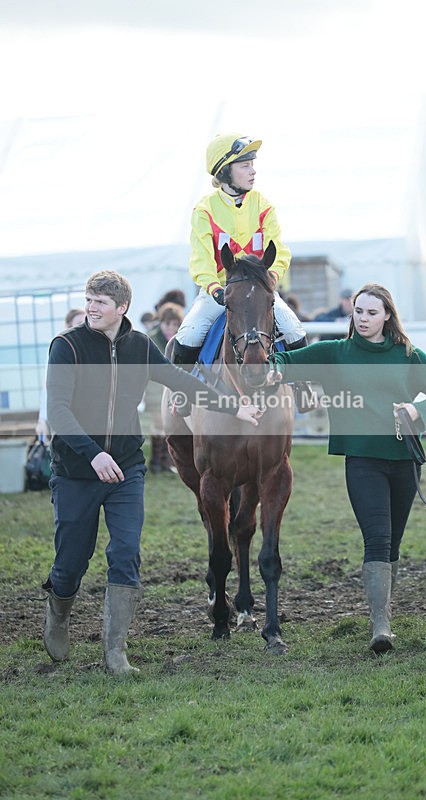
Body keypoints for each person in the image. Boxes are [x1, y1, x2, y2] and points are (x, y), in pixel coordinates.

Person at [43, 270, 262, 675]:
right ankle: (58, 612)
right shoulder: (66, 347)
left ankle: (116, 653)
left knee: (126, 554)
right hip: (76, 470)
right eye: (89, 300)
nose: (91, 307)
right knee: (71, 560)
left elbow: (182, 380)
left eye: (100, 302)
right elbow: (58, 410)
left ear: (121, 308)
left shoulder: (139, 346)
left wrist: (236, 408)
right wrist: (92, 455)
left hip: (126, 467)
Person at [267, 283, 426, 654]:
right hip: (363, 461)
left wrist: (418, 411)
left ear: (387, 315)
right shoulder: (336, 353)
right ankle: (380, 626)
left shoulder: (407, 355)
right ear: (351, 314)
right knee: (378, 538)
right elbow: (284, 363)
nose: (364, 318)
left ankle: (384, 611)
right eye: (359, 311)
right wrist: (269, 368)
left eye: (372, 312)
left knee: (394, 543)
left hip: (405, 461)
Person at [171, 132, 313, 414]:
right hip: (220, 291)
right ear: (225, 171)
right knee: (188, 335)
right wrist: (214, 288)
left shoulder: (264, 205)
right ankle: (182, 393)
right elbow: (201, 260)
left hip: (260, 288)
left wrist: (271, 278)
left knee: (294, 328)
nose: (253, 170)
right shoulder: (204, 210)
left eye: (252, 163)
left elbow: (279, 251)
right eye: (245, 164)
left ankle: (303, 388)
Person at [145, 302, 184, 473]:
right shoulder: (151, 339)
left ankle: (165, 461)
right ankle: (157, 461)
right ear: (160, 322)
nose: (170, 328)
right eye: (167, 323)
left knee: (170, 426)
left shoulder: (181, 340)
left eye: (175, 324)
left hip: (173, 390)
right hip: (154, 388)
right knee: (159, 424)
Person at [35, 308, 86, 440]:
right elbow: (48, 387)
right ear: (69, 326)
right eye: (79, 322)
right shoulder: (60, 349)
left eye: (86, 321)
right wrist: (42, 419)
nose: (84, 325)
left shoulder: (92, 349)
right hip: (65, 415)